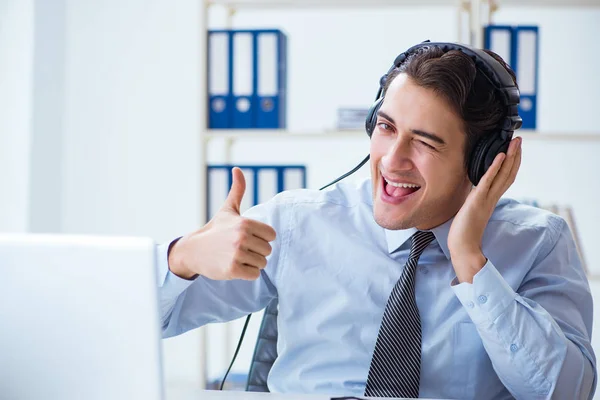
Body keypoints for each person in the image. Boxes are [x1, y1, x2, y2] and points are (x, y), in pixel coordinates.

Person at [157, 42, 596, 399]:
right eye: (386, 128)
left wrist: (470, 262)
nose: (392, 159)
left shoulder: (538, 243)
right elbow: (143, 322)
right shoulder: (298, 222)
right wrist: (184, 257)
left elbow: (565, 393)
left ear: (483, 161)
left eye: (425, 142)